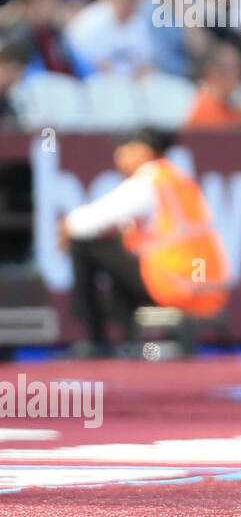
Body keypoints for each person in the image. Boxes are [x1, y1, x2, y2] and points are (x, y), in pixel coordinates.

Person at [58, 127, 229, 356]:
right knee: (122, 250)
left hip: (174, 283)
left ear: (144, 151)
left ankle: (96, 340)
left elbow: (85, 222)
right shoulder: (177, 178)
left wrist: (66, 229)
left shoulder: (148, 182)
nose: (118, 156)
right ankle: (127, 338)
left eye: (124, 149)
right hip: (205, 286)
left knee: (84, 243)